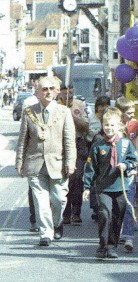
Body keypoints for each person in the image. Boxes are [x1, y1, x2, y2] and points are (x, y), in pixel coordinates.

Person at [15, 76, 76, 246]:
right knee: (41, 202)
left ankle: (57, 223)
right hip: (35, 163)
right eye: (44, 89)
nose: (48, 92)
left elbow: (69, 140)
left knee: (58, 199)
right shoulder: (28, 112)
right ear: (37, 93)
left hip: (58, 163)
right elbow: (22, 140)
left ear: (57, 91)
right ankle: (46, 234)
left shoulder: (64, 112)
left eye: (51, 88)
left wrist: (70, 162)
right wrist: (19, 162)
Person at [82, 109, 138, 259]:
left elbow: (134, 160)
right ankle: (102, 246)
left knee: (117, 217)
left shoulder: (126, 144)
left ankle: (112, 246)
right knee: (104, 214)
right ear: (102, 125)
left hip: (121, 186)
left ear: (119, 125)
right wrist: (87, 187)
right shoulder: (98, 146)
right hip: (103, 187)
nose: (109, 128)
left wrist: (126, 165)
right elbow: (90, 168)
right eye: (106, 125)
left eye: (112, 125)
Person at [58, 84, 89, 225]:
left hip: (78, 143)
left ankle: (76, 212)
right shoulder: (55, 106)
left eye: (70, 93)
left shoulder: (79, 105)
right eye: (65, 94)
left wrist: (70, 116)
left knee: (77, 178)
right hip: (61, 145)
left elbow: (85, 126)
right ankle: (65, 213)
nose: (68, 96)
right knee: (64, 179)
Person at [115, 97, 138, 252]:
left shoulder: (134, 124)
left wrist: (137, 160)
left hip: (130, 168)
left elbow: (135, 141)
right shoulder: (113, 126)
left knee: (129, 203)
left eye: (133, 112)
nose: (132, 115)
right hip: (115, 170)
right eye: (129, 113)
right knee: (117, 206)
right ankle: (116, 233)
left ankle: (129, 236)